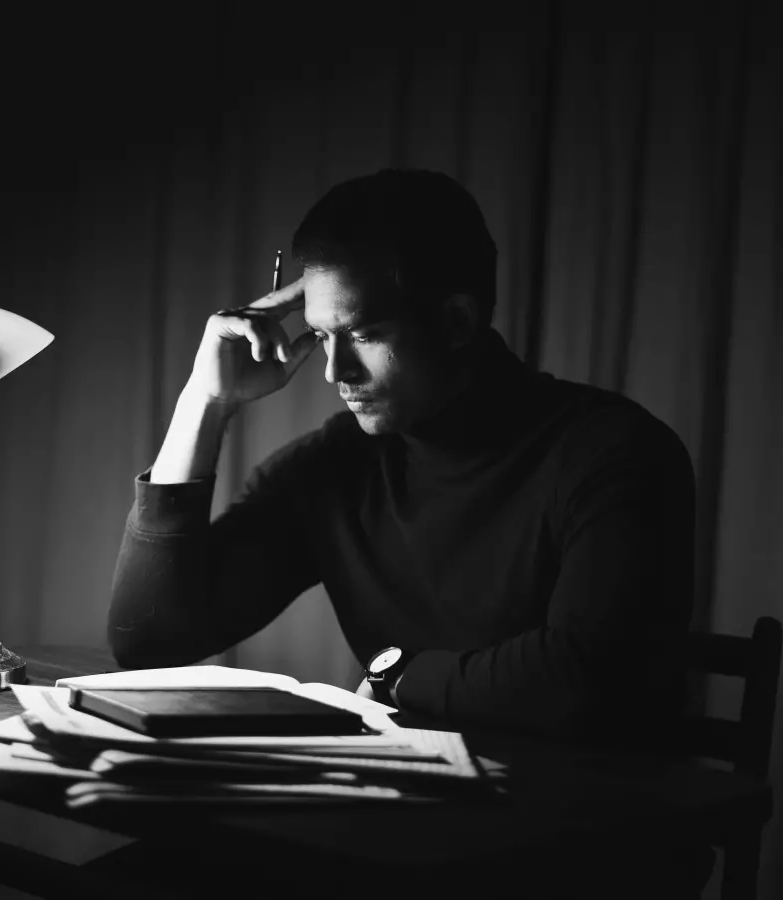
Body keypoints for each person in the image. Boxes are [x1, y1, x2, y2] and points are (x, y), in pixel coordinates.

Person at [105, 169, 710, 895]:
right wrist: (204, 402)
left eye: (363, 332)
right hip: (398, 832)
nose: (334, 369)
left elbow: (580, 683)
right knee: (139, 877)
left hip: (588, 847)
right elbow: (149, 637)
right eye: (323, 335)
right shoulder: (337, 468)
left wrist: (396, 672)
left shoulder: (615, 451)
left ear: (457, 319)